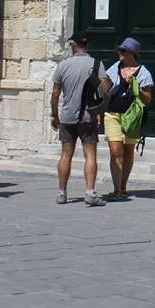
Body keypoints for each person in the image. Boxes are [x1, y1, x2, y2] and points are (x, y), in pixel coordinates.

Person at [50, 33, 104, 206]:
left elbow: (55, 94)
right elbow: (103, 92)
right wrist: (100, 113)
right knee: (90, 154)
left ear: (73, 45)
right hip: (88, 116)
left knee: (66, 154)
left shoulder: (63, 66)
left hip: (67, 117)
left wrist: (54, 115)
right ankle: (90, 191)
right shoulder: (96, 64)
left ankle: (62, 192)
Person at [101, 37, 154, 201]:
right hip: (113, 115)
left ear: (131, 53)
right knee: (115, 151)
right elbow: (104, 89)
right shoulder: (114, 68)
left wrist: (135, 84)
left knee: (128, 151)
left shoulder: (143, 73)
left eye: (123, 51)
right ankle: (117, 189)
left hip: (132, 117)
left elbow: (147, 99)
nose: (120, 53)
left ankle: (123, 186)